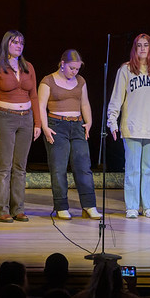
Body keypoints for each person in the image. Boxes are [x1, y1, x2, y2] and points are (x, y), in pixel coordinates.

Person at [107, 34, 150, 219]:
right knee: (132, 169)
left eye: (146, 45)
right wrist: (112, 120)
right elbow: (116, 98)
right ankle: (131, 206)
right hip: (132, 126)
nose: (143, 48)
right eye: (139, 45)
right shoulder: (126, 70)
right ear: (134, 48)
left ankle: (149, 206)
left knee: (149, 170)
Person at [0, 30, 41, 223]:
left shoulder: (28, 67)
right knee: (3, 166)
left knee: (20, 167)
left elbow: (34, 95)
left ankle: (18, 208)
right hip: (4, 118)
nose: (19, 45)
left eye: (21, 43)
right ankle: (2, 209)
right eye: (15, 42)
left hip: (26, 118)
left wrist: (38, 122)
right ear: (6, 44)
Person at [38, 49, 100, 220]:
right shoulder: (48, 81)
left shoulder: (80, 81)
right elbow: (41, 106)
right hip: (56, 126)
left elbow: (85, 104)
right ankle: (61, 206)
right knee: (59, 168)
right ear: (63, 64)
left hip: (77, 125)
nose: (75, 72)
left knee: (83, 167)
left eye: (77, 69)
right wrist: (45, 127)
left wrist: (89, 122)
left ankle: (89, 205)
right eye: (72, 68)